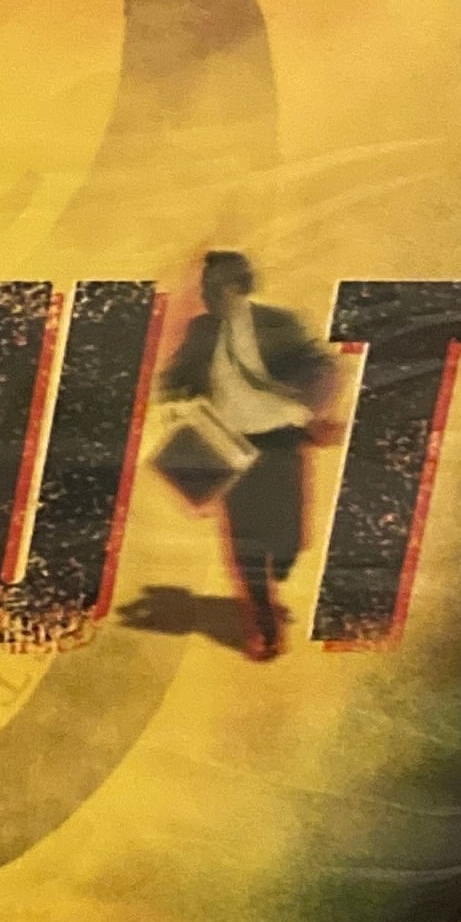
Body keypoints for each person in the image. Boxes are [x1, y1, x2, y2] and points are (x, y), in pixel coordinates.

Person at [160, 252, 333, 660]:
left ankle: (279, 567)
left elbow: (320, 365)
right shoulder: (201, 331)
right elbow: (173, 379)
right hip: (233, 447)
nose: (206, 295)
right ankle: (264, 620)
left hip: (281, 440)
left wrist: (316, 407)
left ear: (238, 286)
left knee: (288, 538)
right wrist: (179, 404)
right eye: (205, 288)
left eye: (214, 287)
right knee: (244, 541)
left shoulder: (278, 322)